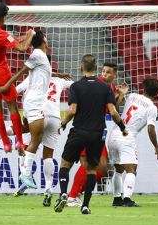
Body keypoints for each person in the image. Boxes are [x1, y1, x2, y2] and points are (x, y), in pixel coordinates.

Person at [53, 54, 128, 215]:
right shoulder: (105, 88)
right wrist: (122, 127)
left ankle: (65, 194)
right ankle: (85, 205)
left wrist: (63, 123)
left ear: (81, 68)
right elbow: (113, 111)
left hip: (78, 131)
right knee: (92, 169)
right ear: (96, 69)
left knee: (65, 165)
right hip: (97, 133)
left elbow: (72, 110)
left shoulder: (76, 86)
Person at [0, 30, 52, 190]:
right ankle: (26, 173)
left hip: (31, 101)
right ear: (43, 39)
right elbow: (22, 71)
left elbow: (38, 73)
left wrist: (58, 74)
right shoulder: (38, 54)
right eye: (46, 37)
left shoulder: (40, 56)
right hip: (35, 102)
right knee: (37, 138)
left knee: (25, 129)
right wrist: (8, 85)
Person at [0, 3, 35, 153]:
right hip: (1, 75)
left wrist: (21, 37)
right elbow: (23, 48)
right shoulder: (2, 35)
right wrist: (30, 35)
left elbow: (10, 39)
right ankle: (19, 142)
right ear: (3, 18)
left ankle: (5, 143)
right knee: (12, 107)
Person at [13, 73, 74, 206]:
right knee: (48, 155)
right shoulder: (60, 80)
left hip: (36, 114)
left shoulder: (33, 77)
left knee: (26, 144)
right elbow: (76, 85)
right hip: (55, 117)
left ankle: (26, 174)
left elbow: (15, 91)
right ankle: (48, 188)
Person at [107, 78, 158, 207]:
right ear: (157, 93)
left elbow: (114, 108)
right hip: (127, 137)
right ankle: (127, 199)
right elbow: (151, 129)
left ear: (144, 89)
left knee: (119, 169)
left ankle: (116, 199)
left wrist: (121, 94)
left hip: (114, 135)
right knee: (132, 170)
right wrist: (156, 147)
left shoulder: (132, 96)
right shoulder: (152, 108)